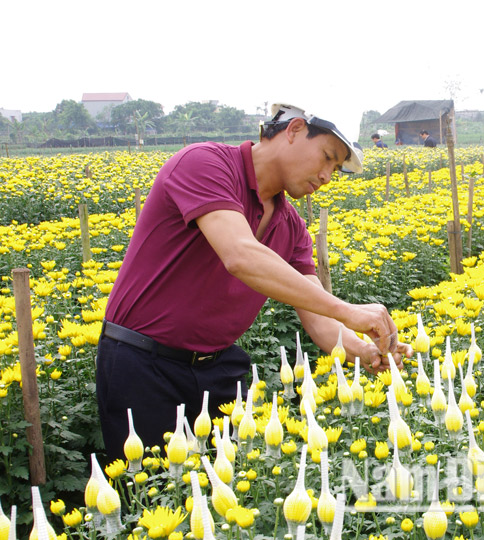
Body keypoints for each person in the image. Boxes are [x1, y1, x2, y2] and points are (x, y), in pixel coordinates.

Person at [96, 103, 412, 460]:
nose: (327, 176)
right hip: (144, 365)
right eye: (326, 157)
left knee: (233, 495)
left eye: (335, 169)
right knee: (154, 488)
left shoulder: (291, 228)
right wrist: (348, 310)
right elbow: (240, 255)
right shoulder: (204, 164)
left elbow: (319, 320)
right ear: (293, 130)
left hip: (217, 368)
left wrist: (366, 352)